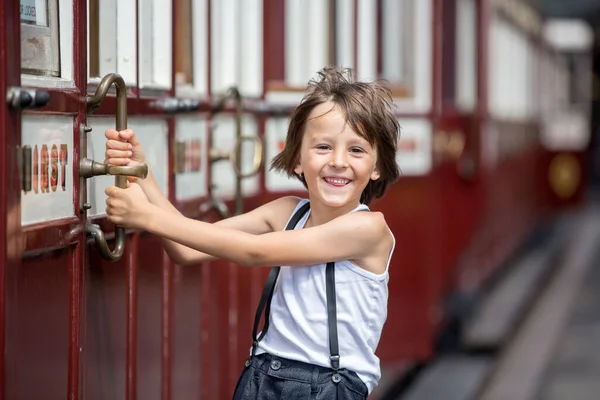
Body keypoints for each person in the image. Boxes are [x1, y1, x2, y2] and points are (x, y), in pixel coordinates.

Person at [103, 66, 400, 399]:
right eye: (323, 147)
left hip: (329, 388)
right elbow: (186, 248)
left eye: (356, 150)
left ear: (376, 167)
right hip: (262, 377)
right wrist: (143, 176)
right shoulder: (286, 211)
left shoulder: (367, 228)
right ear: (297, 159)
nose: (339, 161)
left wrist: (146, 217)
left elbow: (254, 251)